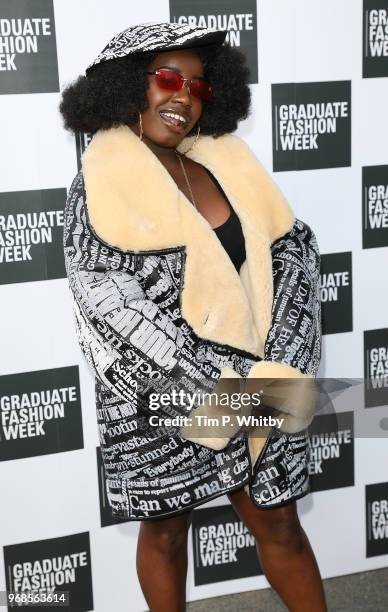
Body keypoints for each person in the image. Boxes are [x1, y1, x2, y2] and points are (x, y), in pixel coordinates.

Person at [60, 21, 327, 612]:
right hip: (163, 397)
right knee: (167, 530)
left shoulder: (227, 165)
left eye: (199, 86)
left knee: (280, 523)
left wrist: (282, 361)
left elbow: (294, 254)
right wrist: (213, 390)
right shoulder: (99, 185)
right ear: (128, 85)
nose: (183, 95)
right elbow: (107, 303)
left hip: (262, 381)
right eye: (167, 78)